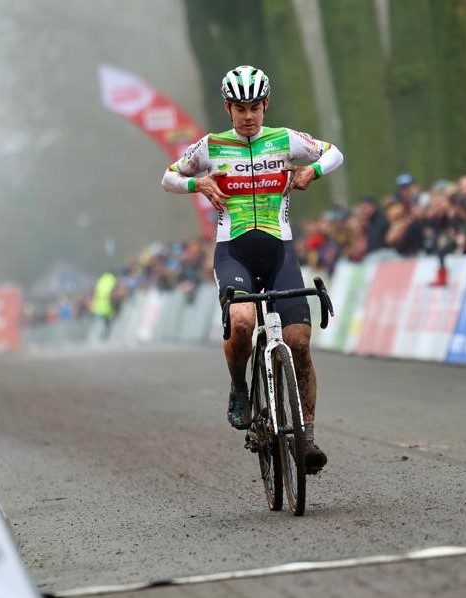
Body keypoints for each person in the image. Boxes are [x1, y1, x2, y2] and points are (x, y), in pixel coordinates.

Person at [161, 65, 343, 473]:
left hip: (279, 249)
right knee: (242, 321)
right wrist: (198, 184)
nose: (248, 115)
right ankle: (240, 388)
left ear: (266, 105)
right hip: (234, 252)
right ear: (228, 108)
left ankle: (307, 439)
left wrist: (310, 170)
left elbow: (334, 153)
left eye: (255, 107)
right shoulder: (210, 146)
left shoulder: (285, 140)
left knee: (298, 341)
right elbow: (169, 177)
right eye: (240, 107)